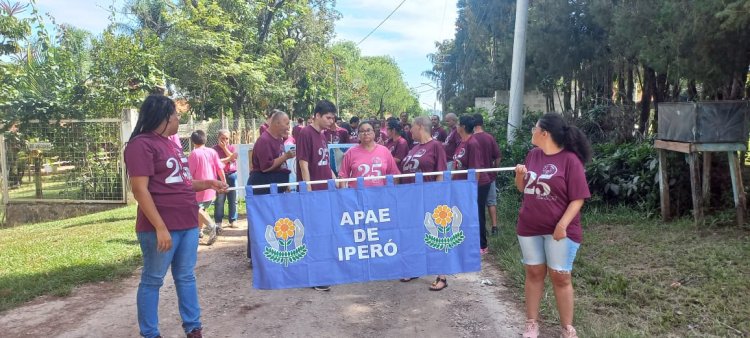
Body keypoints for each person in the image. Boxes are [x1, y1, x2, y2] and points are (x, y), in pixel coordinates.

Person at [124, 94, 228, 338]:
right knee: (153, 280)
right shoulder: (140, 145)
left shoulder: (171, 143)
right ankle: (150, 333)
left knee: (186, 277)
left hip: (187, 222)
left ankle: (194, 328)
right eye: (176, 114)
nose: (179, 118)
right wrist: (159, 226)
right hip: (160, 226)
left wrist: (208, 183)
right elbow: (139, 189)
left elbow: (181, 182)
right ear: (163, 116)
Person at [514, 113, 591, 338]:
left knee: (561, 276)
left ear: (544, 133)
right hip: (529, 226)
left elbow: (578, 198)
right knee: (534, 272)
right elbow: (522, 188)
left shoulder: (570, 160)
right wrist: (520, 176)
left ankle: (567, 327)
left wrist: (562, 225)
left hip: (560, 230)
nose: (532, 131)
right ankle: (531, 323)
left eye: (534, 128)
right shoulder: (533, 155)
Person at [398, 116, 449, 288]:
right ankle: (414, 268)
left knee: (433, 234)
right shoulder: (413, 148)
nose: (409, 130)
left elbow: (440, 173)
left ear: (420, 126)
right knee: (413, 234)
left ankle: (441, 276)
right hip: (410, 199)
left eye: (412, 127)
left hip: (428, 197)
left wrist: (438, 197)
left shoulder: (436, 146)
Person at [296, 99, 338, 292]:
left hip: (324, 191)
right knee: (313, 234)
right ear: (317, 115)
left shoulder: (322, 135)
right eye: (328, 117)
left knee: (323, 233)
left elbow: (324, 162)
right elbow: (303, 163)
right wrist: (309, 191)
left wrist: (335, 179)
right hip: (312, 193)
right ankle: (314, 276)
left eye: (333, 118)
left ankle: (322, 270)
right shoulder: (305, 133)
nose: (331, 121)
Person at [248, 110, 296, 262]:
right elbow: (266, 167)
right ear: (276, 123)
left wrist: (286, 185)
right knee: (259, 220)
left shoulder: (279, 139)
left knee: (275, 219)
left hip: (277, 184)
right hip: (262, 184)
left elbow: (281, 164)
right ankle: (254, 256)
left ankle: (272, 250)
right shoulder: (264, 141)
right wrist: (286, 156)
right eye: (286, 123)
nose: (288, 127)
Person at [452, 115, 492, 255]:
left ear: (463, 127)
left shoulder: (472, 143)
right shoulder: (461, 142)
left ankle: (482, 245)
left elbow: (476, 170)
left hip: (478, 185)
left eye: (458, 124)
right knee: (465, 214)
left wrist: (471, 189)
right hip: (462, 185)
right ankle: (468, 241)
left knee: (477, 213)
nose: (456, 126)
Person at [188, 130, 226, 246]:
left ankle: (212, 226)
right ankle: (198, 232)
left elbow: (189, 174)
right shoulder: (212, 151)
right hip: (212, 188)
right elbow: (220, 168)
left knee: (196, 208)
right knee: (201, 210)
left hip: (199, 187)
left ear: (193, 141)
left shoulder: (194, 154)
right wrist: (223, 182)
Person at [337, 121, 400, 188]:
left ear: (374, 132)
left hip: (380, 195)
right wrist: (344, 195)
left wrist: (392, 194)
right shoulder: (350, 152)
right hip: (357, 196)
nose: (366, 133)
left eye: (368, 130)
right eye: (362, 131)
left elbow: (395, 175)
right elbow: (343, 177)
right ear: (358, 135)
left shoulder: (384, 151)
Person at [472, 114, 501, 236]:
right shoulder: (489, 138)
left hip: (475, 177)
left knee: (477, 204)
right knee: (491, 202)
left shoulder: (470, 139)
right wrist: (494, 169)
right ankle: (494, 227)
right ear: (482, 123)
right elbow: (498, 156)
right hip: (490, 176)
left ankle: (480, 228)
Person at [213, 130, 239, 229]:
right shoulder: (214, 149)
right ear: (218, 138)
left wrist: (225, 149)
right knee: (220, 199)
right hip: (219, 176)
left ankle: (233, 220)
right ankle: (218, 221)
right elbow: (216, 162)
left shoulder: (232, 147)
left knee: (233, 199)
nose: (225, 140)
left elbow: (234, 158)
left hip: (232, 174)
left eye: (227, 138)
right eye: (222, 138)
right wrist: (229, 158)